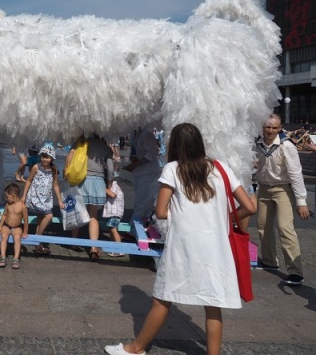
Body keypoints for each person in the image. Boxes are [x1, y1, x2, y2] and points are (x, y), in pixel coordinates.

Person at [104, 123, 255, 355]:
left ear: (174, 145)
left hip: (183, 244)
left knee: (163, 297)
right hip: (215, 245)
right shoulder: (221, 168)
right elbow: (249, 207)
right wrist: (224, 220)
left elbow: (161, 211)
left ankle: (136, 348)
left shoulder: (173, 169)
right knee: (213, 304)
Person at [254, 114, 309, 286]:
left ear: (279, 128)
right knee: (263, 226)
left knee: (286, 228)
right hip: (263, 188)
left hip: (283, 189)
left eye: (274, 128)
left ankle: (295, 272)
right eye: (267, 127)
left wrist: (301, 201)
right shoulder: (257, 144)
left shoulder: (287, 146)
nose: (269, 130)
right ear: (262, 127)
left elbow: (295, 174)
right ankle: (270, 261)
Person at [64, 134, 114, 260]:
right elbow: (111, 170)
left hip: (82, 180)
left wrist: (67, 172)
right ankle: (93, 248)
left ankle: (74, 243)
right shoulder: (106, 148)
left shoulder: (80, 142)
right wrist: (109, 185)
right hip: (98, 183)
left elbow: (70, 154)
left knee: (78, 212)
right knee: (93, 216)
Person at [21, 143, 64, 255]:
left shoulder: (53, 170)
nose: (45, 159)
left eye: (47, 157)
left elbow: (55, 185)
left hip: (45, 199)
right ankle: (38, 238)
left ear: (52, 158)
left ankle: (38, 242)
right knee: (48, 215)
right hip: (34, 197)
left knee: (42, 218)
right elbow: (29, 180)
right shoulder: (36, 167)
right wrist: (24, 195)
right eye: (43, 156)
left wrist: (59, 200)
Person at [125, 126, 162, 221]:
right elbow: (135, 150)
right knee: (140, 202)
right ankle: (141, 225)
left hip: (149, 173)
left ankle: (135, 227)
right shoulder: (134, 133)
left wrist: (136, 164)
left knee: (143, 203)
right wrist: (133, 159)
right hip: (140, 172)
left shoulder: (146, 133)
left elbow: (152, 153)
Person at [0, 183, 28, 269]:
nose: (6, 199)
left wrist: (25, 232)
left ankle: (16, 258)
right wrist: (0, 226)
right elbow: (4, 215)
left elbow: (25, 221)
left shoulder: (22, 207)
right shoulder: (8, 205)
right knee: (3, 236)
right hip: (7, 226)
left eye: (7, 197)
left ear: (13, 196)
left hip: (17, 227)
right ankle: (3, 257)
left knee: (17, 237)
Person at [102, 179, 125, 257]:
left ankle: (119, 249)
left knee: (113, 229)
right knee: (111, 229)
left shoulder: (114, 186)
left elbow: (113, 195)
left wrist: (102, 187)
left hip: (115, 213)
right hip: (112, 213)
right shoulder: (112, 185)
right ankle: (114, 246)